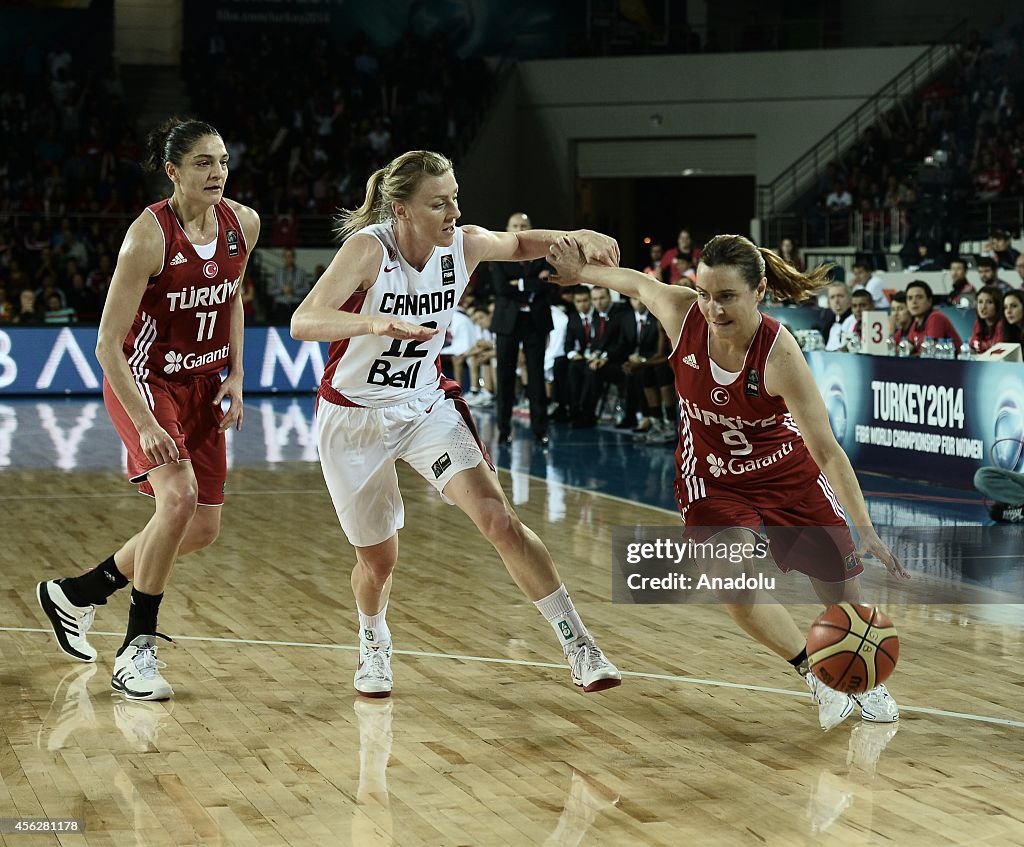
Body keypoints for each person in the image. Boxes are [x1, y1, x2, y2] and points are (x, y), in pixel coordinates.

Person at [288, 149, 621, 698]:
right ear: (401, 209)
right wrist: (377, 321)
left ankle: (578, 643)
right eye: (438, 203)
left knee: (498, 518)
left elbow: (518, 245)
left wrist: (577, 234)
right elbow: (304, 321)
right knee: (378, 560)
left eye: (455, 200)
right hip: (354, 417)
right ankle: (373, 638)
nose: (452, 212)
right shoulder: (369, 249)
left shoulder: (461, 245)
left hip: (424, 407)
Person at [547, 232, 909, 731]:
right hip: (713, 478)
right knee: (732, 582)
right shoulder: (682, 314)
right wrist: (581, 272)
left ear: (759, 291)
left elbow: (826, 449)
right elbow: (634, 283)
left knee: (844, 599)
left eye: (726, 297)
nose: (712, 309)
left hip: (787, 474)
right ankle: (817, 675)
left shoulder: (779, 355)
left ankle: (865, 680)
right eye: (704, 293)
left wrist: (863, 525)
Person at [36, 118, 260, 700]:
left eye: (222, 160)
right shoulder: (149, 237)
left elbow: (233, 296)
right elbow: (107, 344)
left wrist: (237, 372)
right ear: (173, 171)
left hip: (205, 381)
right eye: (203, 163)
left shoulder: (244, 225)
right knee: (178, 499)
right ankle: (137, 650)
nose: (217, 172)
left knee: (202, 526)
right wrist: (145, 421)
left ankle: (80, 592)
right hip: (146, 380)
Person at [488, 212, 554, 446]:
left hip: (536, 321)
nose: (519, 228)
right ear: (507, 228)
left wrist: (521, 284)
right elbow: (501, 288)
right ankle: (503, 430)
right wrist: (534, 283)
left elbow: (550, 285)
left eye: (523, 225)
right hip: (507, 322)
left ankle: (540, 430)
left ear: (530, 227)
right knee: (505, 377)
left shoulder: (544, 251)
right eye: (515, 224)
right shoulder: (498, 252)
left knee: (536, 376)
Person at [904, 280, 962, 354]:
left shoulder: (935, 318)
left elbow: (930, 353)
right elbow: (906, 350)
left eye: (919, 297)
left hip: (955, 364)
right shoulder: (916, 322)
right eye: (910, 298)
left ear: (929, 301)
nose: (914, 302)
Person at [969, 285, 1004, 353]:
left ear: (998, 305)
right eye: (980, 302)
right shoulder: (978, 324)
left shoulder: (1002, 325)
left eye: (989, 302)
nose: (983, 307)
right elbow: (974, 349)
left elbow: (997, 353)